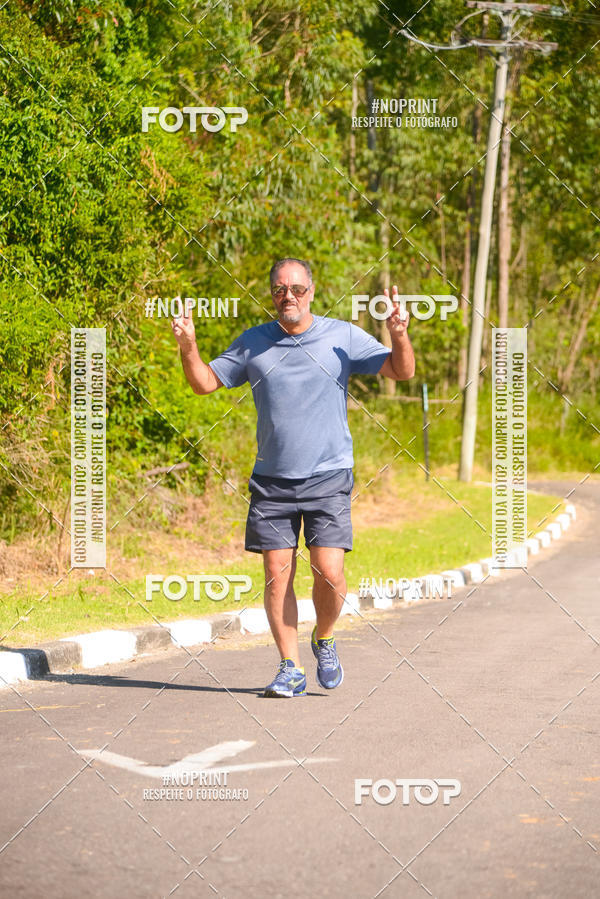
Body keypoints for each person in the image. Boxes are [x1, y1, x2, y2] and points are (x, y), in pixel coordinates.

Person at [171, 258, 415, 697]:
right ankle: (290, 668)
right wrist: (188, 346)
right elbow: (204, 382)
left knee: (330, 572)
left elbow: (402, 371)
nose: (289, 296)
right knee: (276, 573)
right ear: (272, 295)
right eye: (280, 289)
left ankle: (324, 636)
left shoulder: (341, 337)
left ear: (312, 292)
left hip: (328, 476)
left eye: (297, 289)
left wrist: (398, 335)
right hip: (272, 481)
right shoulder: (254, 343)